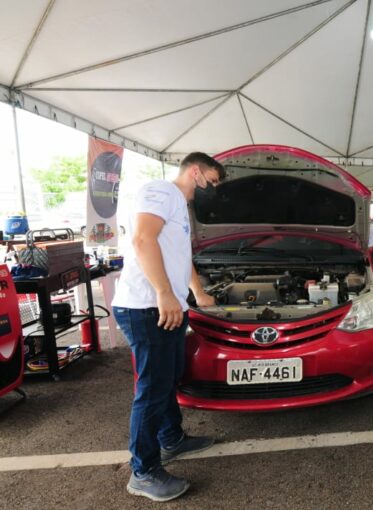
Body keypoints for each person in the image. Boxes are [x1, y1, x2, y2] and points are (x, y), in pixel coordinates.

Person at [111, 152, 226, 502]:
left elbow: (182, 255)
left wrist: (198, 293)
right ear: (195, 171)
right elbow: (143, 240)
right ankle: (143, 473)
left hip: (167, 307)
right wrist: (163, 293)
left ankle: (172, 439)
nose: (214, 188)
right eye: (213, 180)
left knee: (170, 375)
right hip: (147, 307)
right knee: (153, 390)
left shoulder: (179, 206)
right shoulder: (161, 191)